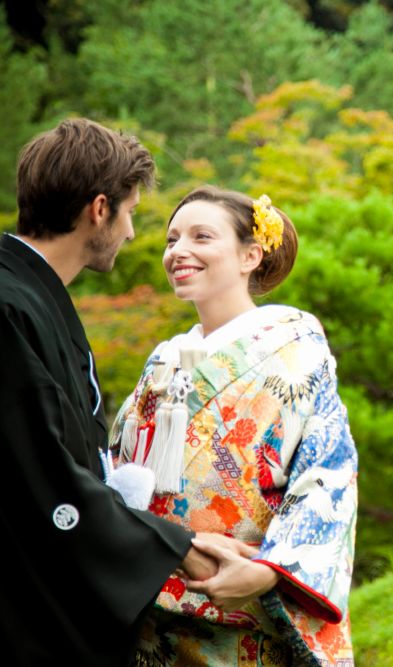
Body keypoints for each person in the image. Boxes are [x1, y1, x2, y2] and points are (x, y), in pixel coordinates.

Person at [0, 118, 226, 666]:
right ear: (98, 209)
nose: (129, 233)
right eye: (128, 214)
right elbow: (40, 481)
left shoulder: (22, 302)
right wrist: (177, 549)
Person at [109, 186, 357, 666]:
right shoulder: (163, 361)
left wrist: (271, 573)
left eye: (202, 237)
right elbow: (120, 470)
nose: (179, 251)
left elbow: (329, 473)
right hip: (155, 598)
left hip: (247, 599)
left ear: (250, 255)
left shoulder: (296, 349)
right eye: (171, 239)